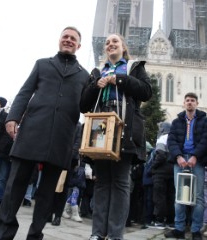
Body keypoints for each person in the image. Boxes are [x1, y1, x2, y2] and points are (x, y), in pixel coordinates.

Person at [0, 26, 89, 240]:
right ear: (59, 40)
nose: (68, 40)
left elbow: (86, 107)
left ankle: (35, 234)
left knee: (47, 193)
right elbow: (25, 92)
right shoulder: (42, 64)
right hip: (32, 132)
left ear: (79, 45)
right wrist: (12, 117)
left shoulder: (84, 75)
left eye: (73, 38)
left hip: (61, 138)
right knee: (14, 188)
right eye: (65, 36)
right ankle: (4, 234)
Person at [80, 33, 152, 240]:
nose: (110, 44)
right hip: (100, 126)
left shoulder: (133, 67)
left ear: (123, 47)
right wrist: (96, 85)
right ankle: (97, 233)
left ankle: (114, 234)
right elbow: (83, 105)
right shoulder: (97, 71)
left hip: (125, 126)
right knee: (102, 181)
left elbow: (146, 92)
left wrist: (120, 79)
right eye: (107, 42)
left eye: (115, 42)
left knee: (120, 181)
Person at [165, 92, 207, 240]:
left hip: (196, 160)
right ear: (184, 103)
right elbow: (171, 140)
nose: (190, 103)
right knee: (179, 196)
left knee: (198, 197)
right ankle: (179, 228)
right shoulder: (177, 121)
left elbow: (206, 140)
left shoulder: (205, 120)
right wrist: (178, 156)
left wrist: (195, 156)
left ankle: (196, 230)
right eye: (187, 100)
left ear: (197, 103)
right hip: (180, 160)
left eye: (192, 100)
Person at [151, 122, 175, 229]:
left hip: (160, 172)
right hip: (172, 171)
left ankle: (159, 221)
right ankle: (171, 221)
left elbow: (160, 155)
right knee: (171, 197)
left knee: (159, 197)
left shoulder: (162, 138)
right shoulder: (174, 139)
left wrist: (153, 166)